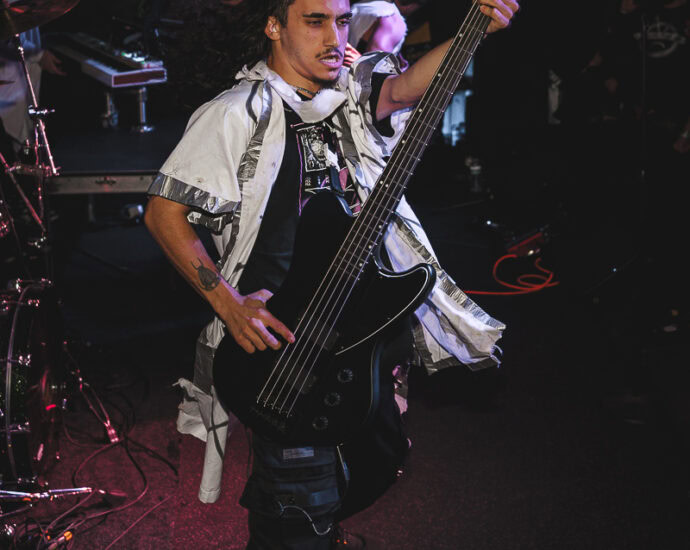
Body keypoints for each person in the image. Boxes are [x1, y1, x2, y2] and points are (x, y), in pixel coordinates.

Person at [144, 0, 519, 548]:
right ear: (274, 26)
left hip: (358, 330)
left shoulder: (347, 98)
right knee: (299, 497)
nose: (333, 37)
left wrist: (475, 28)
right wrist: (227, 303)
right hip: (287, 344)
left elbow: (407, 88)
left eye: (342, 21)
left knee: (365, 464)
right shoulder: (235, 113)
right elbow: (162, 213)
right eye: (314, 20)